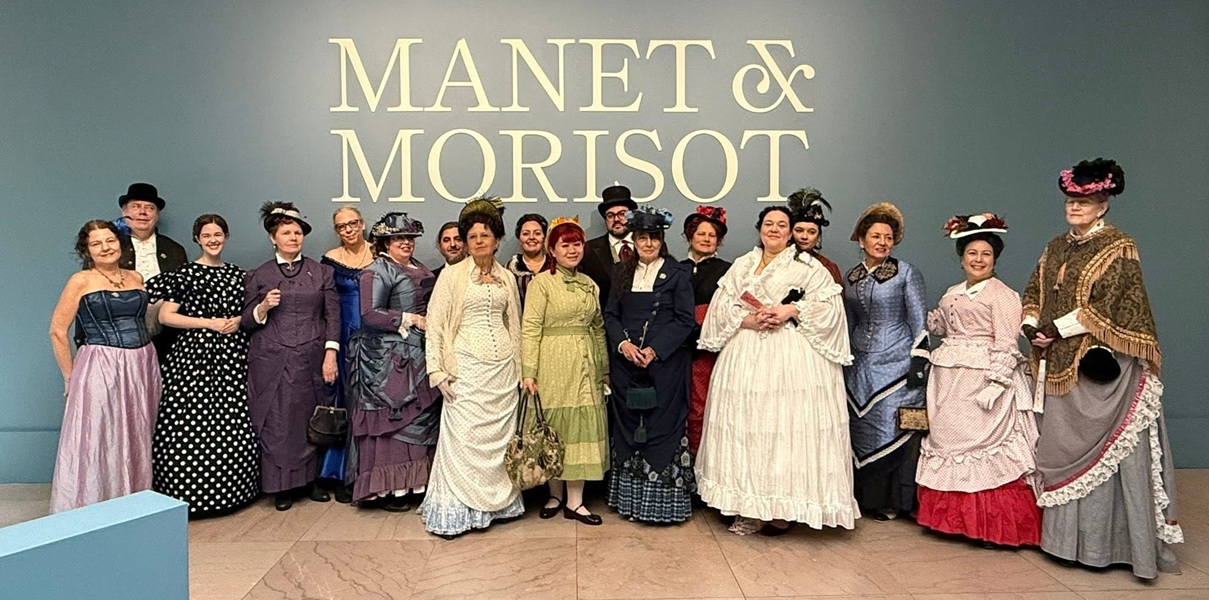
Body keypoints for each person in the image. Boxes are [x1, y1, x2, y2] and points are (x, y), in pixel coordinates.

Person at [1023, 159, 1181, 578]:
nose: (1075, 208)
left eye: (1085, 201)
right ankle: (1062, 543)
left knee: (1109, 451)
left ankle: (1107, 546)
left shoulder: (1119, 246)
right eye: (1071, 200)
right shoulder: (1056, 246)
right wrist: (1032, 326)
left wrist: (1056, 328)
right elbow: (1036, 288)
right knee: (1060, 444)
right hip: (1058, 361)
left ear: (1104, 204)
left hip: (1100, 364)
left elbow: (1112, 302)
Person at [696, 206, 858, 535]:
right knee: (748, 428)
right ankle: (747, 502)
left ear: (790, 232)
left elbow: (830, 306)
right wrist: (749, 319)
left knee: (784, 427)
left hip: (791, 356)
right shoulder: (743, 264)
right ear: (759, 229)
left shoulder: (808, 266)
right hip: (747, 352)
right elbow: (722, 306)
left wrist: (790, 310)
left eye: (781, 225)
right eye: (768, 224)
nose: (774, 229)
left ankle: (782, 509)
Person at [915, 214, 1041, 547]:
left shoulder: (1002, 294)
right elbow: (944, 326)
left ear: (995, 259)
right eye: (972, 253)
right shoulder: (953, 292)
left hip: (982, 377)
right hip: (948, 378)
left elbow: (1006, 341)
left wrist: (997, 384)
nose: (978, 260)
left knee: (982, 445)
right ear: (961, 258)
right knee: (947, 442)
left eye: (985, 254)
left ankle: (989, 525)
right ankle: (953, 521)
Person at [420, 197, 525, 538]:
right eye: (473, 236)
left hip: (503, 370)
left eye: (486, 235)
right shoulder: (452, 276)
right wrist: (437, 371)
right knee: (465, 439)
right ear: (465, 242)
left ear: (496, 239)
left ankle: (498, 507)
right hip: (466, 368)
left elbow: (516, 325)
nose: (479, 240)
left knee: (499, 441)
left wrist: (522, 371)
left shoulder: (507, 277)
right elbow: (435, 324)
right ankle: (460, 510)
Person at [145, 214, 259, 516]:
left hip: (231, 356)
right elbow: (166, 316)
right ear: (197, 238)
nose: (213, 240)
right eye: (207, 235)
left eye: (218, 234)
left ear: (226, 236)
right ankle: (189, 494)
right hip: (193, 356)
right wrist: (207, 323)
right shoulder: (184, 274)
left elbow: (248, 313)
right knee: (188, 422)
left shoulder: (239, 275)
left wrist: (237, 321)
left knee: (232, 420)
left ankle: (232, 491)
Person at [48, 220, 160, 513]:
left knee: (136, 432)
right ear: (86, 250)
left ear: (120, 243)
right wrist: (69, 376)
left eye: (109, 240)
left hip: (141, 362)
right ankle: (92, 508)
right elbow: (58, 331)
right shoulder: (80, 281)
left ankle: (132, 504)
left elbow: (144, 320)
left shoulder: (136, 277)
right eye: (96, 243)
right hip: (100, 361)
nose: (105, 248)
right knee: (98, 433)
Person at [242, 202, 340, 511]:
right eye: (286, 232)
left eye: (297, 232)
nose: (293, 237)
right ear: (274, 238)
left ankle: (311, 481)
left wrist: (330, 354)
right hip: (271, 358)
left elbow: (332, 316)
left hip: (311, 356)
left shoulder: (321, 271)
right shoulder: (260, 275)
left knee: (307, 418)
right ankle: (281, 486)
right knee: (279, 421)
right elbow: (245, 321)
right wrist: (263, 308)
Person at [603, 207, 697, 523]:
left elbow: (685, 320)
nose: (648, 243)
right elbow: (611, 316)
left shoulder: (679, 274)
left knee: (661, 427)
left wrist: (655, 349)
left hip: (664, 367)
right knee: (628, 427)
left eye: (653, 237)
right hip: (626, 365)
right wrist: (623, 345)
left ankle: (662, 506)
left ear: (661, 239)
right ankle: (630, 502)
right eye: (642, 237)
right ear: (634, 239)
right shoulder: (620, 273)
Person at [348, 212, 440, 512]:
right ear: (386, 242)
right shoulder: (376, 270)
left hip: (419, 352)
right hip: (389, 358)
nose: (406, 243)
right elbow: (369, 313)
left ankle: (415, 483)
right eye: (400, 238)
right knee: (394, 419)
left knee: (420, 415)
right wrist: (409, 318)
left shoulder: (418, 267)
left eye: (410, 238)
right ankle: (388, 488)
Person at [521, 216, 610, 525]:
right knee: (554, 429)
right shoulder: (541, 283)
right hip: (552, 363)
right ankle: (554, 495)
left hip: (585, 365)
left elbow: (598, 329)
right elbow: (530, 328)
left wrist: (604, 368)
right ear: (552, 250)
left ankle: (576, 502)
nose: (572, 250)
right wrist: (529, 371)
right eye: (565, 245)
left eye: (577, 244)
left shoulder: (590, 285)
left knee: (581, 429)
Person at [843, 202, 928, 521]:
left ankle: (896, 500)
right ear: (862, 240)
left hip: (898, 363)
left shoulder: (906, 272)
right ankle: (864, 497)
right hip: (859, 365)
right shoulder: (850, 278)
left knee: (897, 427)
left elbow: (919, 320)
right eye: (875, 236)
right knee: (860, 429)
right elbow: (849, 322)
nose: (882, 242)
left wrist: (919, 361)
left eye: (888, 237)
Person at [319, 206, 375, 503]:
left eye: (353, 223)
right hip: (343, 337)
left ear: (363, 224)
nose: (349, 230)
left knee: (374, 403)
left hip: (376, 338)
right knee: (346, 399)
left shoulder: (381, 254)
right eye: (342, 226)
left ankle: (371, 471)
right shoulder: (329, 260)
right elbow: (326, 305)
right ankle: (342, 473)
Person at [114, 182, 187, 362]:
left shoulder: (174, 250)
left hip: (166, 338)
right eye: (136, 207)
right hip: (119, 339)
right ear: (124, 213)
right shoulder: (110, 248)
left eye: (150, 208)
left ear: (156, 215)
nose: (143, 212)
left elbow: (184, 296)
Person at [679, 206, 731, 456]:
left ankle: (707, 465)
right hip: (678, 345)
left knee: (707, 405)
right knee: (682, 404)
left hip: (712, 345)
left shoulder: (729, 270)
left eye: (712, 235)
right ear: (690, 236)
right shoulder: (675, 268)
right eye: (701, 234)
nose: (707, 239)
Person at [581, 183, 638, 307]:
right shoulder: (588, 250)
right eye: (610, 215)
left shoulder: (647, 245)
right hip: (603, 321)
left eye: (622, 214)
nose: (616, 219)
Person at [788, 187, 842, 284]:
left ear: (818, 235)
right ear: (790, 232)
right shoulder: (776, 261)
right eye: (799, 230)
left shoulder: (828, 267)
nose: (804, 236)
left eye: (811, 232)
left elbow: (836, 299)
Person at [505, 213, 549, 306]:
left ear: (544, 237)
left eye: (537, 233)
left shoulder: (555, 266)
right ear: (519, 239)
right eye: (526, 234)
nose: (531, 237)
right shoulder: (511, 268)